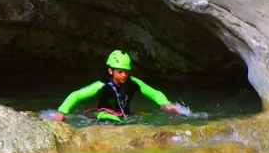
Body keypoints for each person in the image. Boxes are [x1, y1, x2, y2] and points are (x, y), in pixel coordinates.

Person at [49, 50, 181, 122]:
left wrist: (166, 104)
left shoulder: (134, 82)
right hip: (105, 115)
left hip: (124, 116)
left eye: (126, 72)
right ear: (110, 71)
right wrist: (61, 112)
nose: (124, 75)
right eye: (120, 72)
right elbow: (76, 95)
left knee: (146, 116)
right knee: (113, 121)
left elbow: (154, 93)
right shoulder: (102, 85)